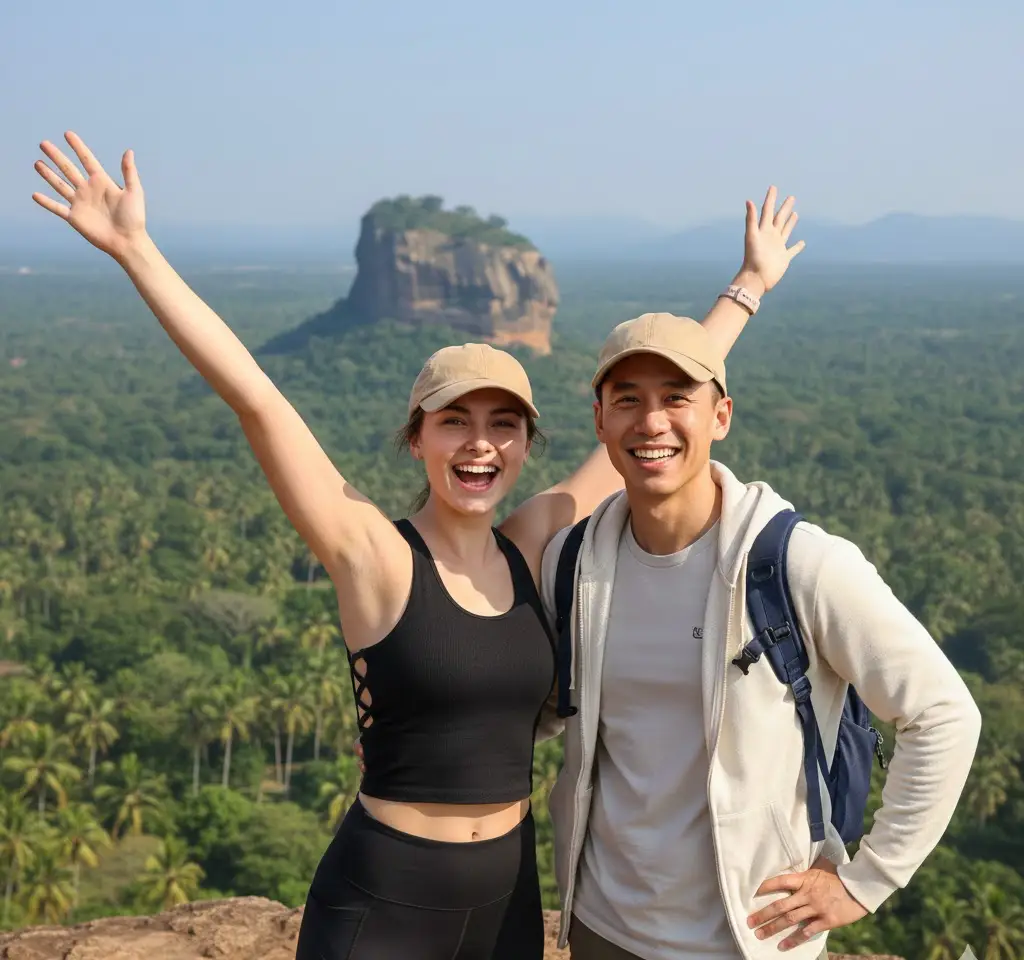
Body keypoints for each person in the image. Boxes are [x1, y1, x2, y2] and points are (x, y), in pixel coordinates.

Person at [32, 131, 800, 959]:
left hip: (509, 898)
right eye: (455, 423)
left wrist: (749, 286)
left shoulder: (533, 538)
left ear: (524, 443)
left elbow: (660, 417)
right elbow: (256, 397)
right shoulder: (375, 555)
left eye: (503, 425)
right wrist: (135, 251)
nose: (480, 445)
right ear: (418, 439)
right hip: (385, 900)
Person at [537, 310, 983, 959]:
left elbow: (943, 714)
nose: (652, 421)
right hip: (605, 927)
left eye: (677, 399)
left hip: (751, 939)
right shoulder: (574, 562)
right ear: (600, 419)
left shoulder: (797, 563)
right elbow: (546, 706)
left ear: (720, 416)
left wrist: (867, 883)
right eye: (628, 400)